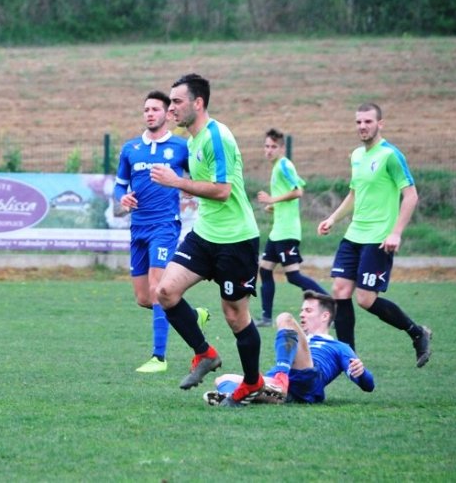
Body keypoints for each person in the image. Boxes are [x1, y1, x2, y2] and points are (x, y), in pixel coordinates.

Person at [150, 73, 264, 407]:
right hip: (205, 235)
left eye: (177, 102)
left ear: (198, 103)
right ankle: (205, 354)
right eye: (170, 102)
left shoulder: (217, 137)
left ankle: (253, 383)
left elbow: (223, 191)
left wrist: (177, 183)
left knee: (234, 315)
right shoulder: (193, 140)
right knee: (165, 292)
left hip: (236, 239)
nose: (172, 108)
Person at [317, 102, 431, 367]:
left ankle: (417, 333)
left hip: (379, 237)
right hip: (354, 234)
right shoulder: (357, 155)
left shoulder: (391, 155)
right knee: (339, 289)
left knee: (366, 299)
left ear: (380, 124)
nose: (362, 126)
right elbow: (355, 194)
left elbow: (411, 195)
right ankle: (348, 358)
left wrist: (396, 233)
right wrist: (333, 218)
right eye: (358, 122)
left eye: (368, 121)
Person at [113, 90, 209, 373]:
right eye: (146, 110)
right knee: (144, 298)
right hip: (138, 227)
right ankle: (192, 315)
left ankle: (159, 358)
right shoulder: (131, 149)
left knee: (157, 289)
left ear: (167, 114)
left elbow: (199, 177)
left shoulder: (181, 147)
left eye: (155, 109)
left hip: (165, 225)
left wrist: (191, 189)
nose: (149, 114)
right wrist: (122, 197)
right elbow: (120, 184)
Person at [204, 290, 375, 405]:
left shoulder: (339, 347)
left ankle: (279, 378)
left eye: (308, 310)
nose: (301, 314)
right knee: (222, 379)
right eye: (302, 310)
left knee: (285, 318)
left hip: (308, 378)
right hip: (290, 389)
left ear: (325, 316)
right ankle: (230, 399)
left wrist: (362, 373)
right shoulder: (294, 338)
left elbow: (368, 386)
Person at [254, 128, 327, 327]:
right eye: (266, 146)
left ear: (282, 148)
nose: (269, 150)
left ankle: (329, 303)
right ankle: (267, 318)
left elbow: (298, 191)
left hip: (287, 232)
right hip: (277, 232)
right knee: (265, 270)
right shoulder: (278, 166)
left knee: (294, 276)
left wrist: (272, 199)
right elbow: (289, 194)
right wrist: (273, 205)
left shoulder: (285, 165)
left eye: (273, 147)